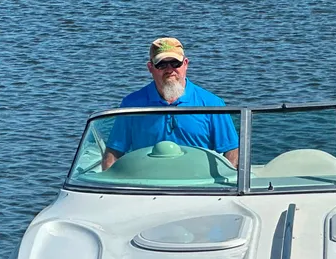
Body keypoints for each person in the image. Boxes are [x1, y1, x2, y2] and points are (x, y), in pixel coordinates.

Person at [102, 37, 239, 170]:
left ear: (185, 64)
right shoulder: (131, 105)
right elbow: (114, 152)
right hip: (145, 181)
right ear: (150, 67)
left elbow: (232, 151)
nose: (169, 70)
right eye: (161, 64)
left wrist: (227, 179)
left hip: (198, 182)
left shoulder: (212, 104)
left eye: (175, 63)